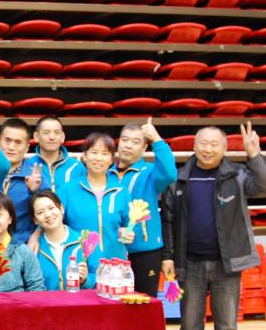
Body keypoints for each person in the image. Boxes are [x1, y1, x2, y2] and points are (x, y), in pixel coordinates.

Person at [164, 123, 266, 330]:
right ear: (194, 146)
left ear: (225, 148)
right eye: (203, 143)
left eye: (214, 144)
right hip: (189, 263)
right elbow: (168, 220)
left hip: (227, 264)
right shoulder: (179, 179)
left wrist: (254, 155)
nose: (208, 149)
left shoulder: (237, 175)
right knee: (190, 323)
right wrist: (168, 257)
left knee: (227, 325)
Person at [54, 133, 135, 275]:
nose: (98, 158)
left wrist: (128, 232)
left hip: (115, 265)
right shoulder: (67, 190)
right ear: (84, 156)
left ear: (111, 160)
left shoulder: (121, 192)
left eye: (105, 154)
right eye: (94, 152)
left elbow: (129, 224)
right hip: (80, 265)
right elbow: (54, 222)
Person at [113, 118, 177, 295]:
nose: (128, 145)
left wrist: (157, 140)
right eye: (124, 140)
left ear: (144, 148)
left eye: (135, 142)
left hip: (145, 251)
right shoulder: (106, 172)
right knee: (112, 302)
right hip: (112, 250)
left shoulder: (150, 172)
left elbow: (170, 174)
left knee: (144, 302)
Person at [30, 190, 89, 290]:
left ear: (61, 208)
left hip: (80, 299)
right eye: (40, 212)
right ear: (35, 220)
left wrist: (86, 280)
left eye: (51, 208)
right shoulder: (33, 249)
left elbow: (99, 276)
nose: (48, 215)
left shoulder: (84, 242)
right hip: (46, 300)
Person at [0, 118, 40, 242]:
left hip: (22, 245)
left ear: (27, 147)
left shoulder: (36, 176)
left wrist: (33, 192)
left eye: (18, 142)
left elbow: (48, 213)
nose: (11, 147)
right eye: (7, 141)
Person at [28, 115, 81, 192]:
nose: (52, 137)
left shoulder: (76, 166)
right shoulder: (28, 166)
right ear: (36, 136)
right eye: (46, 132)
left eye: (56, 133)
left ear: (62, 137)